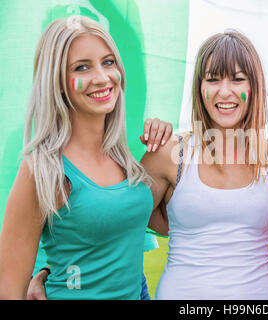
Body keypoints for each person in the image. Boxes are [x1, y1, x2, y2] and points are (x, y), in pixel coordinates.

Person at [0, 16, 170, 299]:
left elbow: (175, 222)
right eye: (82, 67)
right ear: (58, 81)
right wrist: (44, 276)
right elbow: (8, 289)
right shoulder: (42, 168)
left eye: (108, 62)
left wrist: (171, 144)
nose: (102, 77)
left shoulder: (127, 157)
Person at [139, 30, 268, 299]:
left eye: (237, 79)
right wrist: (47, 272)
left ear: (253, 87)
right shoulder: (169, 154)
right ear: (200, 87)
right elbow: (117, 226)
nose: (224, 92)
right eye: (213, 79)